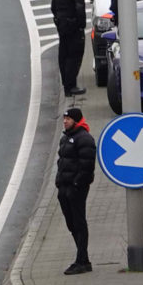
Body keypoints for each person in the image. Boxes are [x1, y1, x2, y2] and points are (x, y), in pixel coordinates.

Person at [55, 106, 96, 275]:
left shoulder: (84, 139)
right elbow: (61, 162)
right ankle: (83, 259)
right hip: (64, 188)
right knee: (71, 224)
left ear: (76, 121)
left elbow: (87, 166)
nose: (65, 121)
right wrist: (59, 183)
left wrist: (77, 184)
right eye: (64, 118)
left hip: (76, 189)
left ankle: (82, 260)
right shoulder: (65, 138)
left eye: (68, 119)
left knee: (79, 223)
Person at [50, 0, 90, 98]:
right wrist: (81, 25)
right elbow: (80, 8)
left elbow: (53, 7)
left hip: (62, 27)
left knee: (64, 55)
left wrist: (59, 21)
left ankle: (66, 86)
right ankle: (71, 86)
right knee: (75, 56)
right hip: (74, 28)